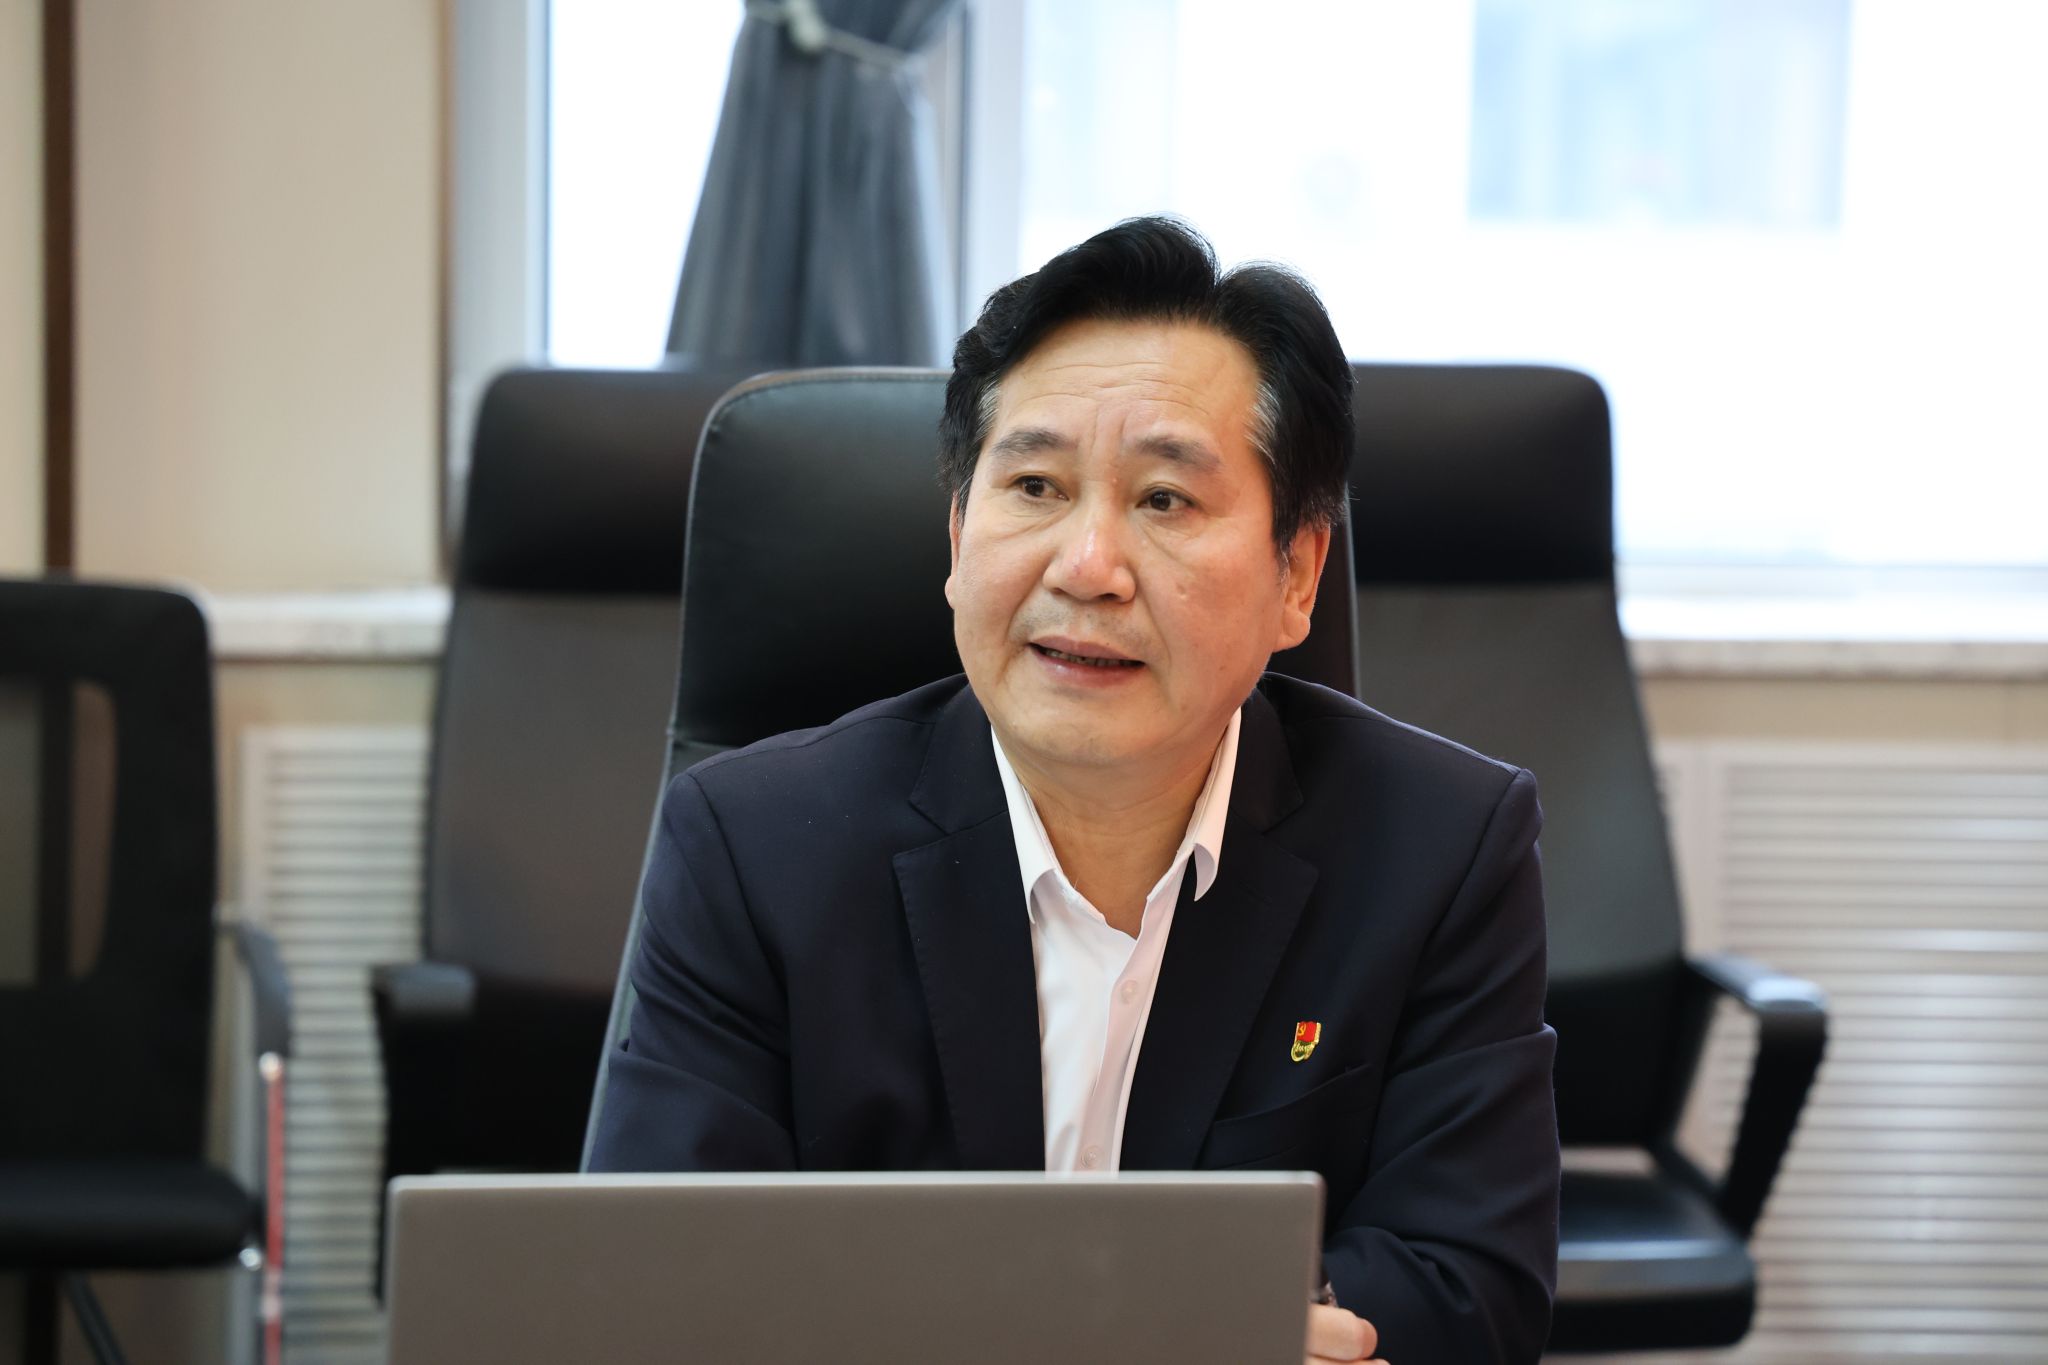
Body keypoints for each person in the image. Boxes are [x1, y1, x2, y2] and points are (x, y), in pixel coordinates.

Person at [587, 217, 1560, 1363]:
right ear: (960, 536)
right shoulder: (750, 849)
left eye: (1164, 500)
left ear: (1295, 575)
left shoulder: (1441, 848)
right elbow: (656, 1284)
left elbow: (1468, 1290)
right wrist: (1189, 1331)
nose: (1086, 567)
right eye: (1035, 486)